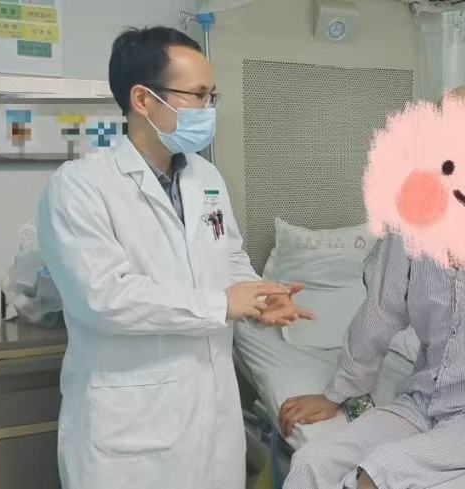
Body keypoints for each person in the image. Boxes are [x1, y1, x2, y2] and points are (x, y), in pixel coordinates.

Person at [37, 26, 313, 488]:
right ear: (143, 99)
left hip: (212, 420)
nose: (210, 109)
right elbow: (104, 298)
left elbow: (228, 256)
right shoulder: (81, 186)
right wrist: (222, 304)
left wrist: (261, 297)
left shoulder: (206, 179)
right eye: (198, 95)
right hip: (131, 430)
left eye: (212, 96)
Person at [279, 86, 465, 489]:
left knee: (379, 473)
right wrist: (338, 393)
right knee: (311, 461)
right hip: (425, 399)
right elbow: (381, 310)